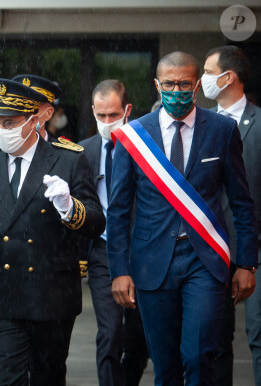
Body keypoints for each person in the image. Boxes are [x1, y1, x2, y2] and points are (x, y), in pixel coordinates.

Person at [107, 51, 257, 386]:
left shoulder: (222, 129)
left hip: (204, 262)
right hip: (151, 263)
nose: (177, 90)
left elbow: (242, 202)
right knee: (166, 366)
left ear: (197, 85)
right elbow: (118, 211)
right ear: (157, 85)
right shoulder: (134, 137)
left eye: (185, 83)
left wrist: (247, 263)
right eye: (170, 84)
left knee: (200, 356)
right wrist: (119, 271)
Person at [0, 78, 105, 385]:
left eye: (10, 122)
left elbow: (96, 223)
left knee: (48, 377)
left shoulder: (68, 159)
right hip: (0, 293)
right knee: (7, 380)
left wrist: (69, 207)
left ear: (33, 120)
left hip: (50, 294)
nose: (1, 130)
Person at [79, 79, 149, 386]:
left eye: (114, 115)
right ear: (93, 111)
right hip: (102, 252)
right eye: (101, 115)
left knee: (140, 336)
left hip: (143, 252)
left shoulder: (148, 146)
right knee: (109, 332)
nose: (107, 122)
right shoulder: (83, 151)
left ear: (128, 110)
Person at [202, 45, 261, 386]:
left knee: (258, 335)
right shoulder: (200, 123)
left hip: (255, 248)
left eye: (209, 73)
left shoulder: (258, 122)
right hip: (212, 249)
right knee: (214, 342)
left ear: (229, 77)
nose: (204, 80)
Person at [12, 74, 61, 141]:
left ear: (48, 113)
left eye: (31, 108)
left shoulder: (62, 151)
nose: (23, 115)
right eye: (18, 109)